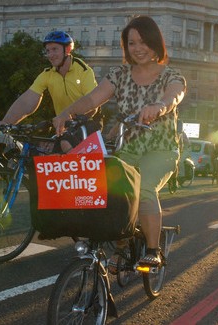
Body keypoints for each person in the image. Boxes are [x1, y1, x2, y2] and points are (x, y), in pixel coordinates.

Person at [52, 15, 186, 267]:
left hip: (161, 149)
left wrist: (159, 106)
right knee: (109, 189)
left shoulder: (171, 75)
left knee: (143, 188)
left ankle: (153, 250)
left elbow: (174, 95)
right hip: (128, 148)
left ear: (155, 43)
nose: (138, 48)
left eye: (143, 42)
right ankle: (122, 242)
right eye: (132, 43)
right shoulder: (119, 74)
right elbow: (92, 99)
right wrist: (66, 113)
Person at [0, 31, 100, 152]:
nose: (50, 55)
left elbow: (93, 106)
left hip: (89, 121)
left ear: (68, 49)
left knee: (65, 143)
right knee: (41, 152)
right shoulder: (47, 74)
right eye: (48, 51)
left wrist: (69, 120)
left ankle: (79, 170)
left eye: (54, 49)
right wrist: (5, 123)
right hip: (62, 126)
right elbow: (26, 102)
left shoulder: (83, 70)